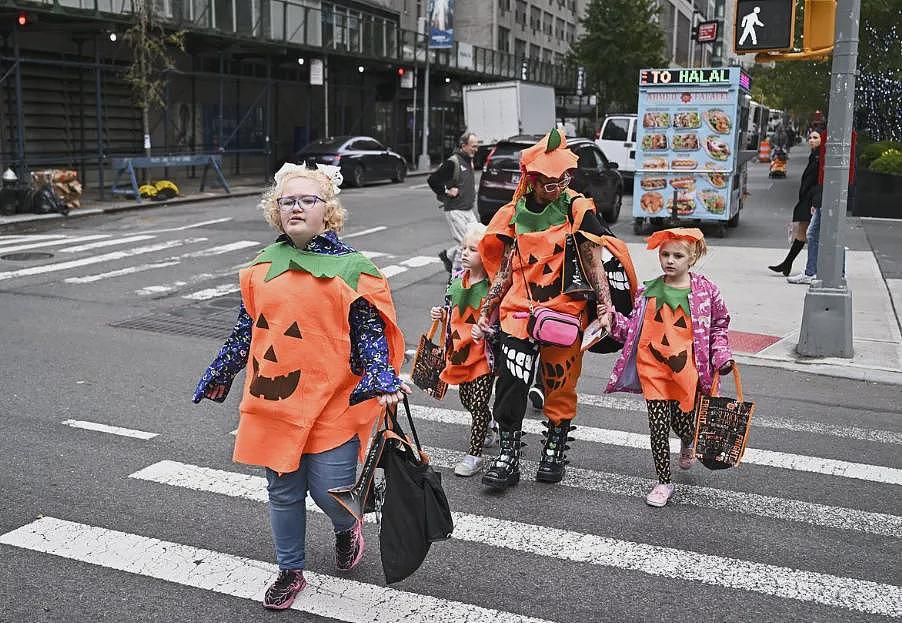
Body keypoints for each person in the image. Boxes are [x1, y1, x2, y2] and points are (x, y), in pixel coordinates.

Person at [193, 160, 410, 610]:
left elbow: (370, 334)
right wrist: (221, 370)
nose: (295, 207)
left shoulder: (353, 269)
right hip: (274, 398)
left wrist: (381, 373)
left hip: (333, 401)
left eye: (307, 200)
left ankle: (347, 527)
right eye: (286, 200)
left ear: (327, 210)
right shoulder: (261, 267)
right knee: (283, 491)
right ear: (275, 210)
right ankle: (290, 571)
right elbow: (247, 329)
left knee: (331, 494)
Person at [475, 129, 631, 490]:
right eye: (548, 180)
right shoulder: (511, 214)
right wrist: (488, 308)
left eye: (563, 178)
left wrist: (606, 307)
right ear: (530, 178)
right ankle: (508, 454)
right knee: (512, 382)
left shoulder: (578, 208)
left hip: (565, 313)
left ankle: (555, 446)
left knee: (560, 383)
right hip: (518, 312)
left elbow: (594, 262)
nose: (557, 186)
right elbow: (503, 269)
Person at [606, 228, 733, 508]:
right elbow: (629, 329)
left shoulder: (706, 292)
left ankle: (688, 441)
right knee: (658, 427)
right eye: (665, 254)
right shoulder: (647, 291)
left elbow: (719, 327)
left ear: (692, 258)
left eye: (678, 255)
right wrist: (611, 319)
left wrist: (721, 356)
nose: (670, 260)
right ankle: (663, 481)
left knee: (684, 424)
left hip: (688, 371)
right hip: (652, 369)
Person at [430, 222, 498, 476]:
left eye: (473, 249)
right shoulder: (458, 278)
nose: (465, 253)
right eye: (463, 248)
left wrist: (489, 331)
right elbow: (452, 308)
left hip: (483, 354)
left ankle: (474, 455)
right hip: (459, 352)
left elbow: (503, 320)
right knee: (468, 400)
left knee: (478, 403)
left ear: (487, 253)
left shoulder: (494, 285)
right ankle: (488, 425)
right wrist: (441, 313)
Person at [768, 130, 822, 277]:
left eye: (815, 138)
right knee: (802, 232)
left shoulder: (820, 157)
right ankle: (787, 264)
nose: (811, 140)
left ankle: (792, 265)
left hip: (812, 198)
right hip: (808, 198)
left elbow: (818, 181)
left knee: (807, 232)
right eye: (810, 137)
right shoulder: (815, 155)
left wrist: (814, 201)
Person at [428, 132, 480, 273]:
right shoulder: (453, 162)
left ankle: (448, 256)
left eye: (477, 146)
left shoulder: (469, 159)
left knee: (477, 239)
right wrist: (446, 191)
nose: (476, 149)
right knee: (467, 244)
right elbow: (432, 180)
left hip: (467, 210)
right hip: (455, 210)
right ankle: (458, 276)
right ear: (463, 146)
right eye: (473, 146)